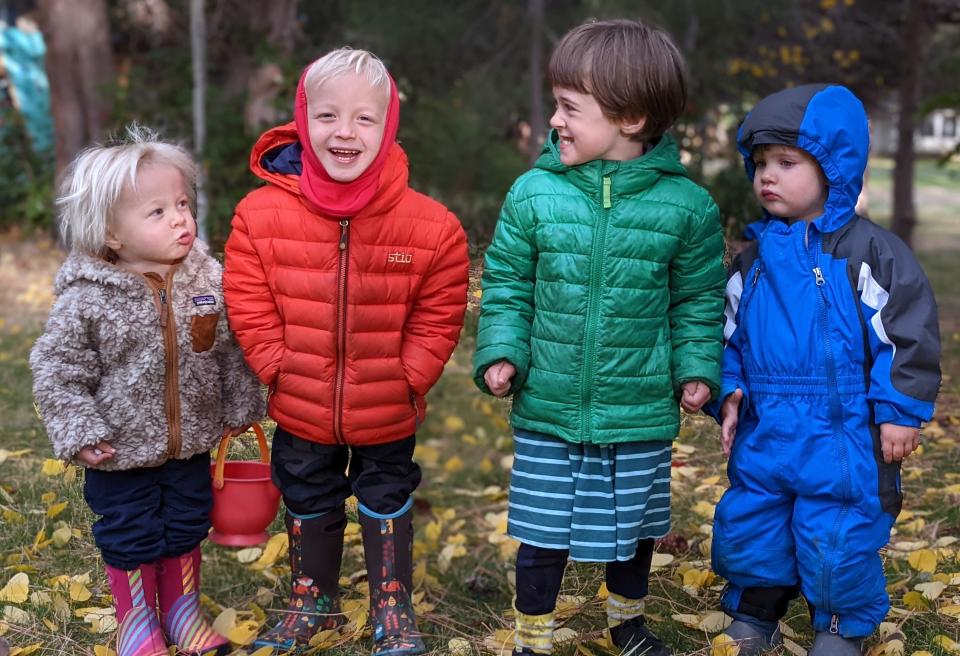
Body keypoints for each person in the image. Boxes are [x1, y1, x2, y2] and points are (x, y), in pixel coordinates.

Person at [473, 19, 726, 656]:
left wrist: (697, 366)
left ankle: (628, 625)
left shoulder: (686, 207)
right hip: (551, 404)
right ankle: (534, 634)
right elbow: (506, 284)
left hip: (637, 407)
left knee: (635, 528)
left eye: (569, 108)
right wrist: (502, 350)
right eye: (556, 104)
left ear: (632, 117)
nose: (554, 120)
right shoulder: (534, 195)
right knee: (542, 528)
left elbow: (698, 300)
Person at [223, 48, 469, 654]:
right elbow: (247, 298)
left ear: (388, 128)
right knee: (306, 485)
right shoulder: (260, 216)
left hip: (386, 396)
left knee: (387, 487)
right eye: (329, 115)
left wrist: (410, 376)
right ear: (304, 120)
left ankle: (392, 603)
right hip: (301, 391)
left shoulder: (430, 226)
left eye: (365, 119)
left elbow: (440, 311)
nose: (345, 132)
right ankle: (313, 599)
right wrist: (277, 367)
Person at [709, 84, 941, 656]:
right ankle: (757, 611)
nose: (769, 175)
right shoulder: (752, 261)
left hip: (843, 435)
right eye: (761, 163)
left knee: (837, 535)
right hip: (768, 429)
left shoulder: (868, 253)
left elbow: (903, 335)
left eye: (787, 163)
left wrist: (899, 411)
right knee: (753, 521)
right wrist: (729, 390)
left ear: (835, 169)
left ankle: (839, 624)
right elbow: (728, 337)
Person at [30, 126, 265, 656]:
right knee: (131, 529)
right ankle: (136, 621)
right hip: (119, 449)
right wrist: (79, 428)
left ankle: (182, 612)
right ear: (111, 234)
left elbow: (231, 347)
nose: (180, 218)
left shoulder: (208, 279)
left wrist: (239, 402)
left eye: (183, 203)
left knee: (186, 521)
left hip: (192, 442)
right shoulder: (89, 297)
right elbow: (56, 368)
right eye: (157, 212)